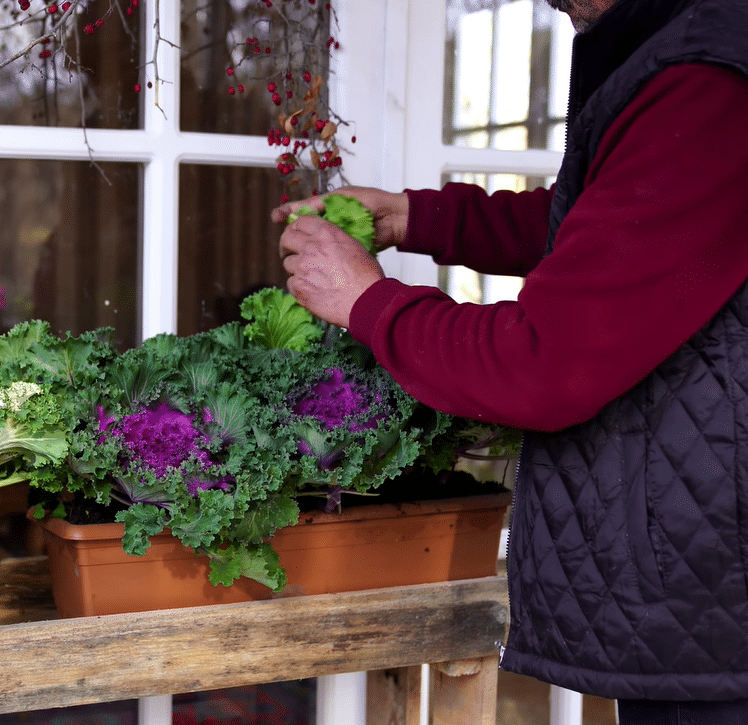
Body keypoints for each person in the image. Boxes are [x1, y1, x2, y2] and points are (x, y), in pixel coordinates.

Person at [274, 0, 748, 722]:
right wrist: (419, 217)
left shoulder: (711, 85)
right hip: (704, 596)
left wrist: (366, 301)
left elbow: (543, 363)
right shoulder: (682, 52)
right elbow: (606, 216)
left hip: (715, 602)